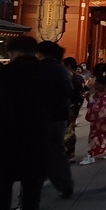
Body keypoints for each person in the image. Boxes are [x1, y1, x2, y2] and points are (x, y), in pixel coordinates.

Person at [0, 36, 55, 210]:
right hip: (36, 136)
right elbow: (61, 101)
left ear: (12, 52)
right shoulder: (47, 73)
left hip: (3, 137)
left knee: (2, 185)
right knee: (32, 186)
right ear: (35, 52)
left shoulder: (0, 75)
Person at [36, 41, 75, 198]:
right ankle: (64, 183)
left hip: (42, 117)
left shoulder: (37, 69)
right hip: (59, 116)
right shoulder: (61, 70)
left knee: (39, 152)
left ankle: (36, 185)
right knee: (57, 151)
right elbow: (69, 92)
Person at [79, 76, 106, 165]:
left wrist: (91, 100)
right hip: (100, 117)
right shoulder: (99, 94)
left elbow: (101, 107)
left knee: (96, 136)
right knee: (104, 134)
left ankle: (92, 154)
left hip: (101, 118)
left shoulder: (104, 95)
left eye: (97, 83)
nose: (95, 85)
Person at [63, 57, 87, 162]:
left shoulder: (68, 76)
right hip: (75, 105)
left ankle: (68, 152)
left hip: (69, 106)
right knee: (70, 129)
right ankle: (70, 152)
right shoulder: (79, 77)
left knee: (67, 130)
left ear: (67, 65)